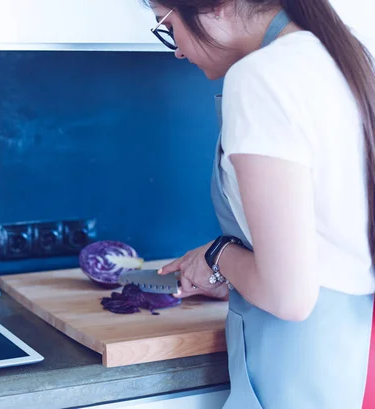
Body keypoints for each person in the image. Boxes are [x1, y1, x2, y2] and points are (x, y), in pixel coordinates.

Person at [145, 0, 375, 407]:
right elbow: (334, 249)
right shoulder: (345, 57)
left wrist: (217, 256)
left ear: (217, 7)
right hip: (353, 362)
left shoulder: (260, 78)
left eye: (166, 24)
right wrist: (242, 278)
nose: (177, 48)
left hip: (298, 372)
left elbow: (289, 296)